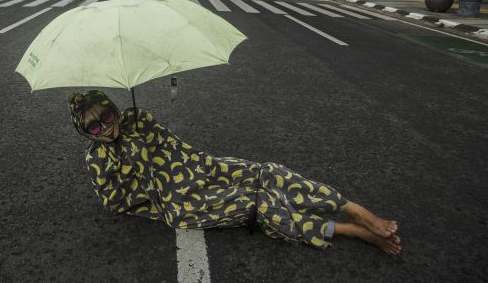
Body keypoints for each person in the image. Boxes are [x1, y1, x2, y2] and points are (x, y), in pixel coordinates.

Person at [68, 90, 401, 256]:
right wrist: (129, 170)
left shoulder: (138, 119)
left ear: (114, 109)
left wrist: (137, 134)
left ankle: (351, 207)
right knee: (257, 206)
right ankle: (348, 230)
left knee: (268, 173)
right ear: (85, 133)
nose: (104, 128)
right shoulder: (97, 159)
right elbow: (114, 203)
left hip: (201, 167)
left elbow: (173, 146)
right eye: (93, 127)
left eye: (107, 117)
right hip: (183, 202)